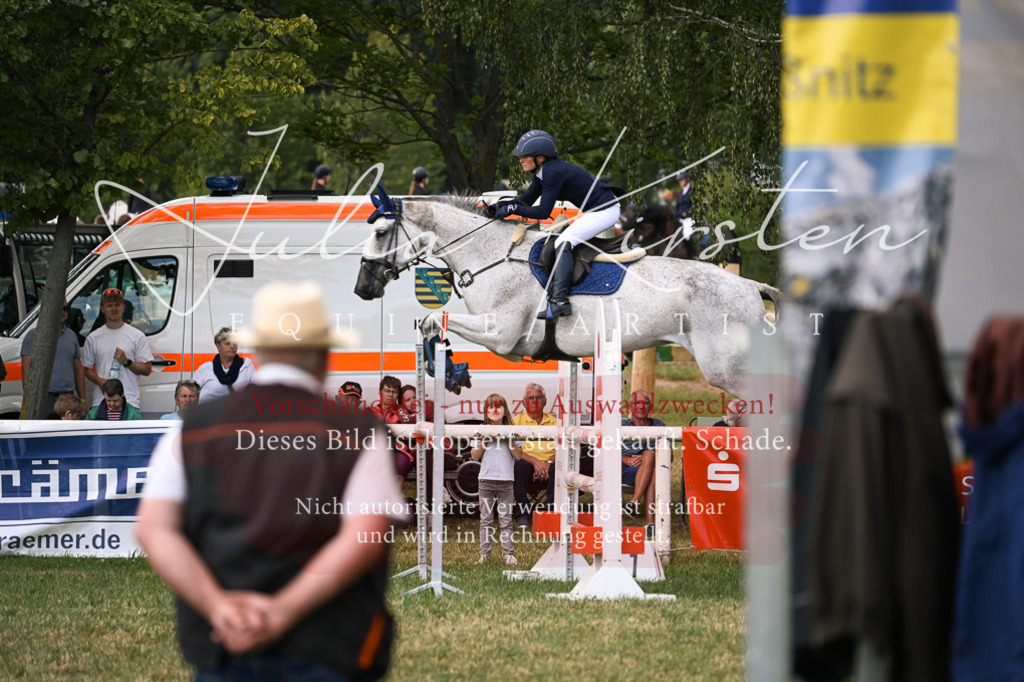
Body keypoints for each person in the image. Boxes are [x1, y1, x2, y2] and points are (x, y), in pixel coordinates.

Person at [136, 280, 402, 680]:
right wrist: (281, 613)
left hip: (222, 646)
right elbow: (363, 540)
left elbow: (153, 529)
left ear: (257, 350)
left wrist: (218, 607)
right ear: (324, 354)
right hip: (329, 645)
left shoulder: (191, 430)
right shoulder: (360, 430)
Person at [491, 130, 621, 319]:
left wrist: (512, 209)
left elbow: (543, 212)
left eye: (525, 156)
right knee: (562, 241)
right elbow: (527, 200)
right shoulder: (543, 171)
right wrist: (499, 206)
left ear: (540, 157)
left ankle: (560, 301)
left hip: (605, 211)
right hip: (596, 209)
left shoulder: (552, 173)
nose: (520, 160)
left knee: (563, 242)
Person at [82, 288, 153, 411]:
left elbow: (147, 369)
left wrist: (127, 361)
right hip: (101, 402)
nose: (114, 308)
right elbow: (87, 370)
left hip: (129, 402)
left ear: (123, 308)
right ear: (103, 309)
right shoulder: (93, 337)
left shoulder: (137, 335)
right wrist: (99, 381)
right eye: (109, 305)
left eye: (117, 305)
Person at [471, 394, 522, 565]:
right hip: (486, 479)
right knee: (485, 519)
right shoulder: (481, 429)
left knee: (505, 518)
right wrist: (485, 440)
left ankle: (508, 553)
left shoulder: (512, 430)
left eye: (498, 406)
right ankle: (484, 554)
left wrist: (509, 440)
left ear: (505, 411)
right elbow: (474, 455)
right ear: (486, 411)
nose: (494, 410)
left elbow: (519, 455)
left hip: (506, 480)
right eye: (490, 406)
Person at [20, 298, 85, 415]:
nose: (62, 312)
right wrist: (30, 402)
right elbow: (26, 371)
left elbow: (78, 369)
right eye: (58, 308)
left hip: (69, 398)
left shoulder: (71, 336)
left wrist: (83, 400)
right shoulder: (33, 336)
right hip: (44, 399)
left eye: (65, 308)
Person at [511, 382, 557, 527]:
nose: (534, 401)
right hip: (527, 466)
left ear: (545, 402)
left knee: (560, 467)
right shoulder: (514, 422)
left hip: (550, 466)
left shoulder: (556, 422)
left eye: (538, 398)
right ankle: (523, 513)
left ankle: (547, 513)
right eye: (531, 398)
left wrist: (547, 463)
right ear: (524, 403)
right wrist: (535, 462)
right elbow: (512, 448)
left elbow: (563, 449)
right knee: (518, 464)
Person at [621, 390, 664, 536]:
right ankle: (650, 523)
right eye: (637, 403)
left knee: (650, 455)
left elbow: (668, 457)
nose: (641, 407)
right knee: (652, 470)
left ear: (650, 407)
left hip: (651, 468)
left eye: (645, 403)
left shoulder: (659, 425)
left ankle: (634, 502)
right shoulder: (621, 425)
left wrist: (648, 459)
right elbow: (606, 450)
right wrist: (625, 459)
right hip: (627, 469)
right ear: (630, 407)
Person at [370, 376, 415, 483]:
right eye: (387, 391)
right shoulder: (370, 412)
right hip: (376, 451)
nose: (390, 395)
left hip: (399, 452)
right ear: (380, 392)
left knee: (398, 465)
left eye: (394, 392)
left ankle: (393, 500)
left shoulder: (403, 414)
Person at [193, 327, 255, 404]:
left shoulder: (247, 366)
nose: (232, 346)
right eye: (227, 343)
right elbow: (191, 393)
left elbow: (257, 393)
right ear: (218, 346)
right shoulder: (205, 368)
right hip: (209, 414)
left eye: (235, 343)